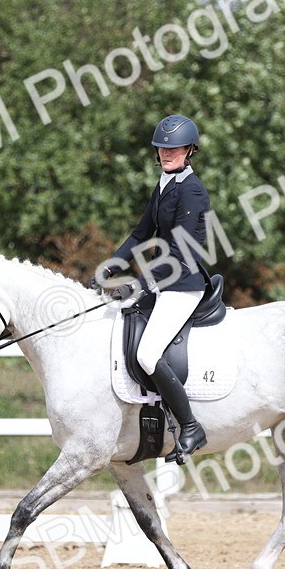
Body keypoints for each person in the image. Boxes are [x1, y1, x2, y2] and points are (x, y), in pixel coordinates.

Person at [92, 114, 211, 458]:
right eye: (161, 148)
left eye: (174, 148)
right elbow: (141, 234)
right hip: (164, 282)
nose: (166, 153)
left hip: (183, 284)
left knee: (147, 353)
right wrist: (110, 267)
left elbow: (180, 252)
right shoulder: (164, 185)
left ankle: (190, 426)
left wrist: (140, 284)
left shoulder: (192, 190)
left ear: (189, 150)